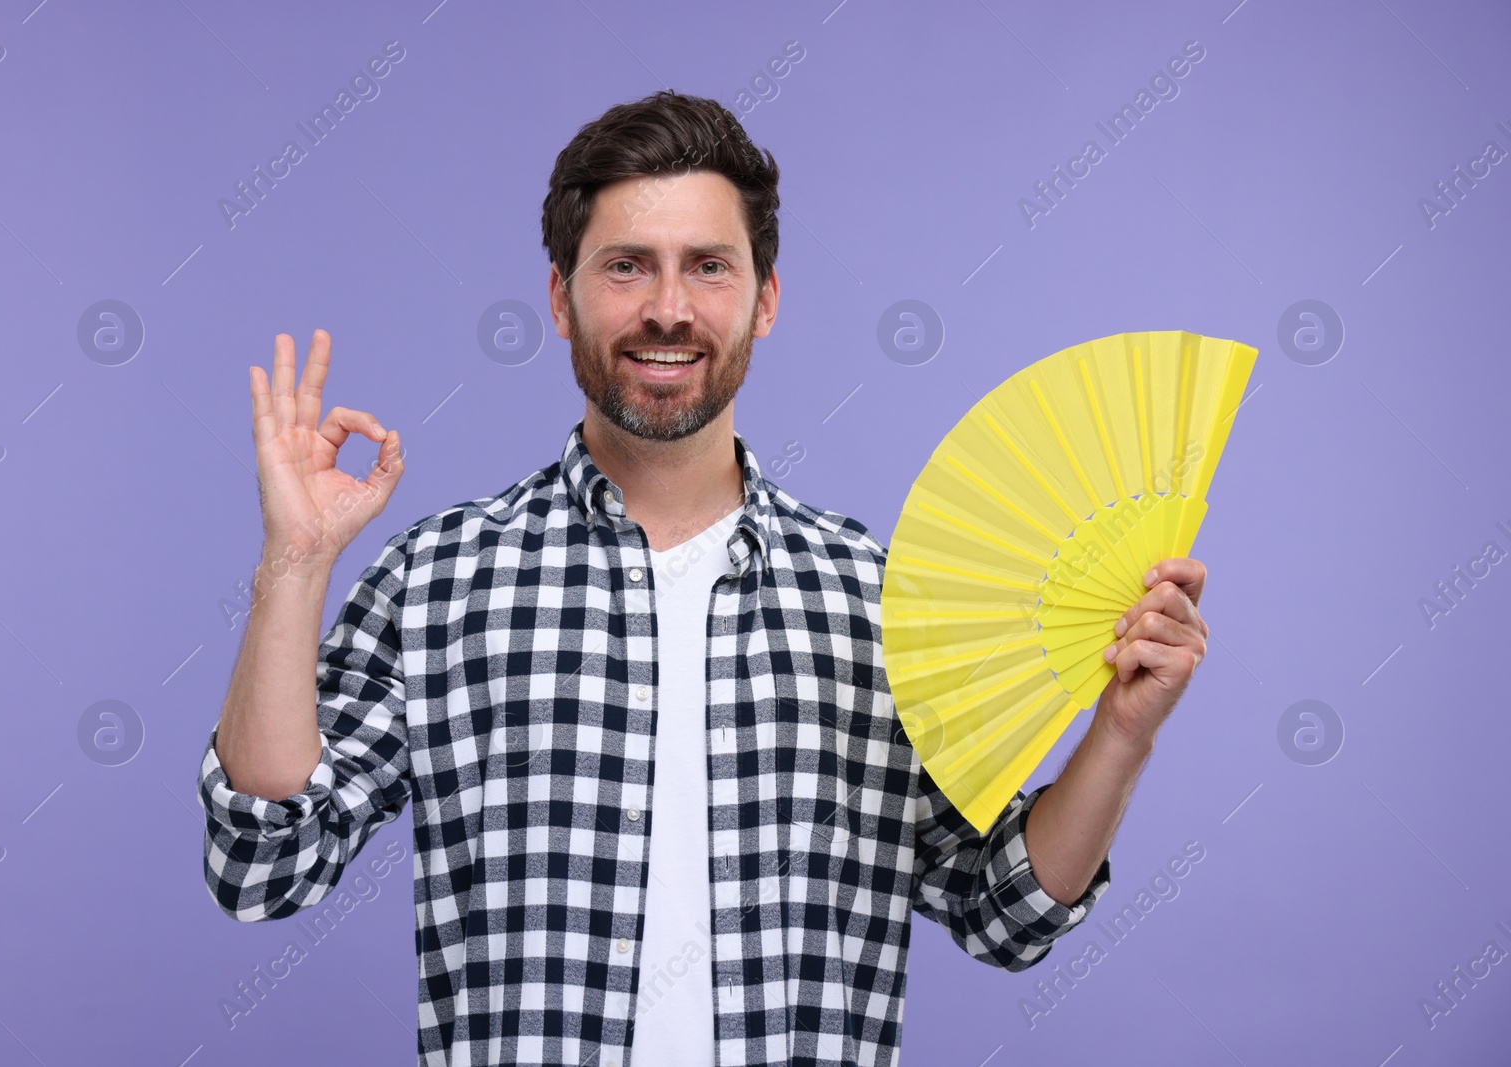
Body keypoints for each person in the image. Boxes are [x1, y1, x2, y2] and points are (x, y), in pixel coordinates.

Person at [197, 90, 1211, 1067]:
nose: (669, 309)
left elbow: (1002, 910)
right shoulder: (441, 579)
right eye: (627, 266)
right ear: (561, 296)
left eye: (709, 267)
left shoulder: (876, 599)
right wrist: (294, 562)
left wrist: (1121, 732)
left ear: (763, 300)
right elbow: (264, 863)